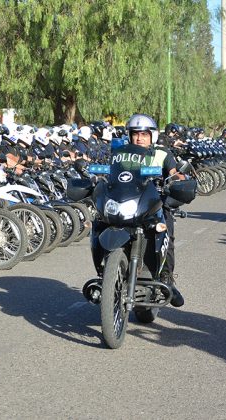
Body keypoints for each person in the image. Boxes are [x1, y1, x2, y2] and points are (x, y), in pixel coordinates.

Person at [90, 113, 184, 307]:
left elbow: (175, 174)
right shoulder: (120, 154)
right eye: (135, 134)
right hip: (128, 202)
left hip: (154, 202)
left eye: (144, 134)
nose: (139, 138)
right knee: (100, 222)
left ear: (152, 136)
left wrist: (178, 180)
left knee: (166, 226)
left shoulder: (163, 153)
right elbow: (113, 174)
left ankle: (166, 278)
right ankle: (105, 272)